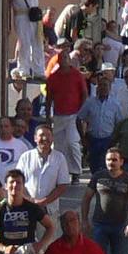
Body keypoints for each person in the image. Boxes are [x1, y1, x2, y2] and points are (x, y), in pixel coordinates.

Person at [46, 43, 90, 179]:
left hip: (73, 115)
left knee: (72, 143)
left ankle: (76, 172)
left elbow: (84, 94)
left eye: (66, 57)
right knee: (58, 146)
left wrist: (81, 112)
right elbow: (49, 98)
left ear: (69, 60)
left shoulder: (77, 75)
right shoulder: (53, 77)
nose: (64, 59)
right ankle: (59, 173)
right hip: (59, 115)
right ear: (58, 60)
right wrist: (48, 115)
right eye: (61, 57)